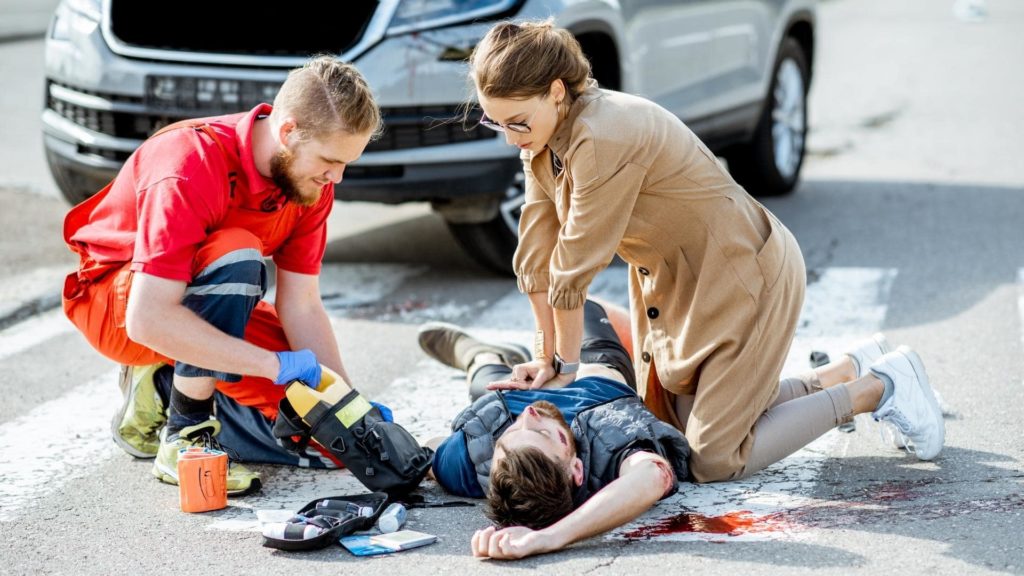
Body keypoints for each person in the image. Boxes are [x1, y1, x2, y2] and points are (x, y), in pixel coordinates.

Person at [466, 20, 945, 486]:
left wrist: (564, 374)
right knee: (674, 427)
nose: (510, 137)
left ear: (555, 91)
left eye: (517, 122)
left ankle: (878, 387)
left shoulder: (601, 134)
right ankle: (845, 370)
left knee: (714, 458)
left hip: (740, 273)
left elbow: (572, 268)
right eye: (496, 122)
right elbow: (536, 255)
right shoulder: (542, 137)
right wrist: (543, 356)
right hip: (674, 282)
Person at [61, 56, 383, 495]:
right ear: (288, 132)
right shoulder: (190, 164)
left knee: (336, 440)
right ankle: (186, 433)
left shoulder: (311, 184)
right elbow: (148, 318)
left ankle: (160, 387)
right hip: (120, 305)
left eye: (347, 163)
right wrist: (271, 365)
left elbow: (301, 304)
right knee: (235, 250)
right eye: (330, 160)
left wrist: (346, 403)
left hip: (205, 303)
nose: (337, 177)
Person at [418, 299, 690, 560]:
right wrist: (549, 538)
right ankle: (482, 354)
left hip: (511, 391)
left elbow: (427, 450)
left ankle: (482, 357)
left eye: (508, 436)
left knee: (484, 384)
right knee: (578, 301)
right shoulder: (609, 453)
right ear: (577, 469)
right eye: (544, 433)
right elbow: (654, 475)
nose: (529, 414)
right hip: (592, 370)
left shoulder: (466, 464)